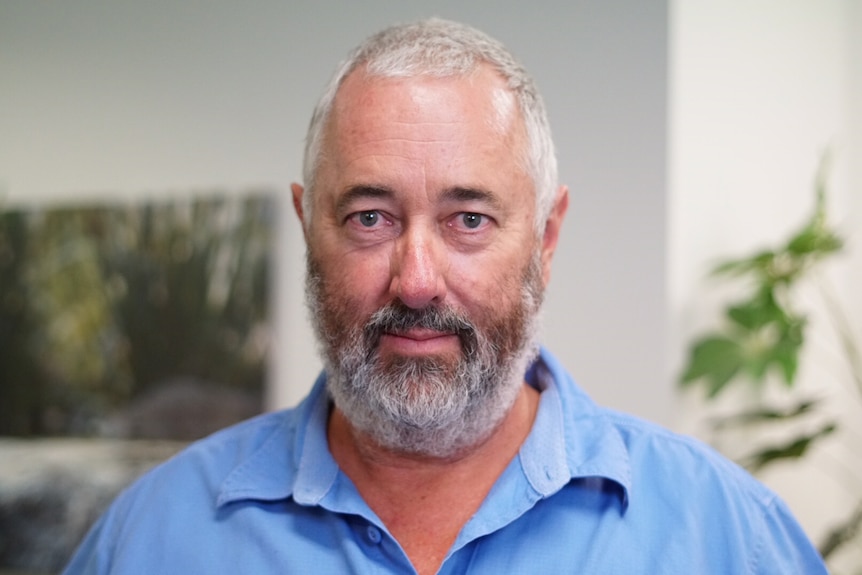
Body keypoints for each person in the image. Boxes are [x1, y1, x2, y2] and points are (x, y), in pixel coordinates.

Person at [63, 18, 827, 574]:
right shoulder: (148, 539)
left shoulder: (727, 538)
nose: (417, 278)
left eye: (469, 219)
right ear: (308, 226)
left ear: (546, 238)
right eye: (370, 217)